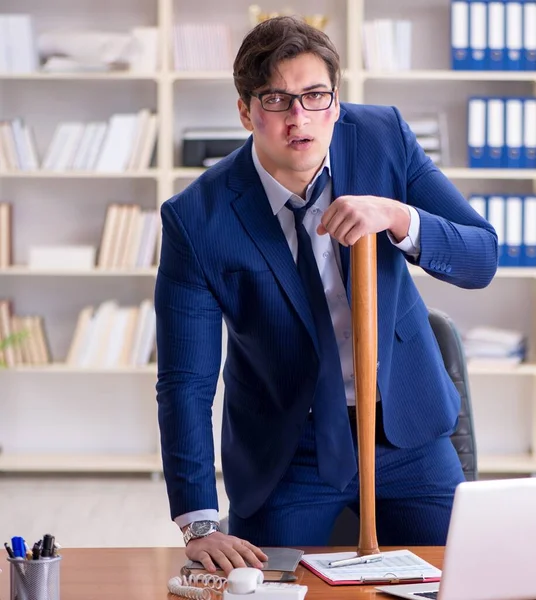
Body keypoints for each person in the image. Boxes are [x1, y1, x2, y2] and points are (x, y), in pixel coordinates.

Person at [155, 16, 498, 574]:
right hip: (289, 451)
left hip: (407, 433)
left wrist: (397, 216)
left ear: (335, 103)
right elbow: (185, 381)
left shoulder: (383, 137)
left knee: (468, 577)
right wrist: (198, 521)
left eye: (315, 96)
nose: (300, 118)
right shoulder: (197, 219)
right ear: (245, 111)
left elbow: (481, 257)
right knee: (266, 586)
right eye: (277, 100)